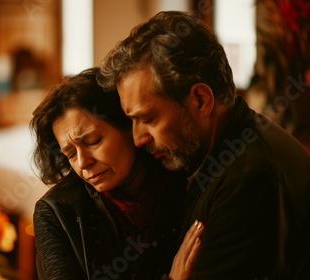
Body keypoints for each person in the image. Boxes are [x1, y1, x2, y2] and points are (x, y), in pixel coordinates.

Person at [97, 11, 310, 279]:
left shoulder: (246, 181)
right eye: (131, 121)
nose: (139, 138)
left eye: (147, 119)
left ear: (200, 100)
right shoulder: (224, 152)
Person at [31, 67, 201, 280]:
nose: (83, 162)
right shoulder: (57, 213)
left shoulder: (184, 182)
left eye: (93, 141)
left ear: (129, 127)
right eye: (71, 154)